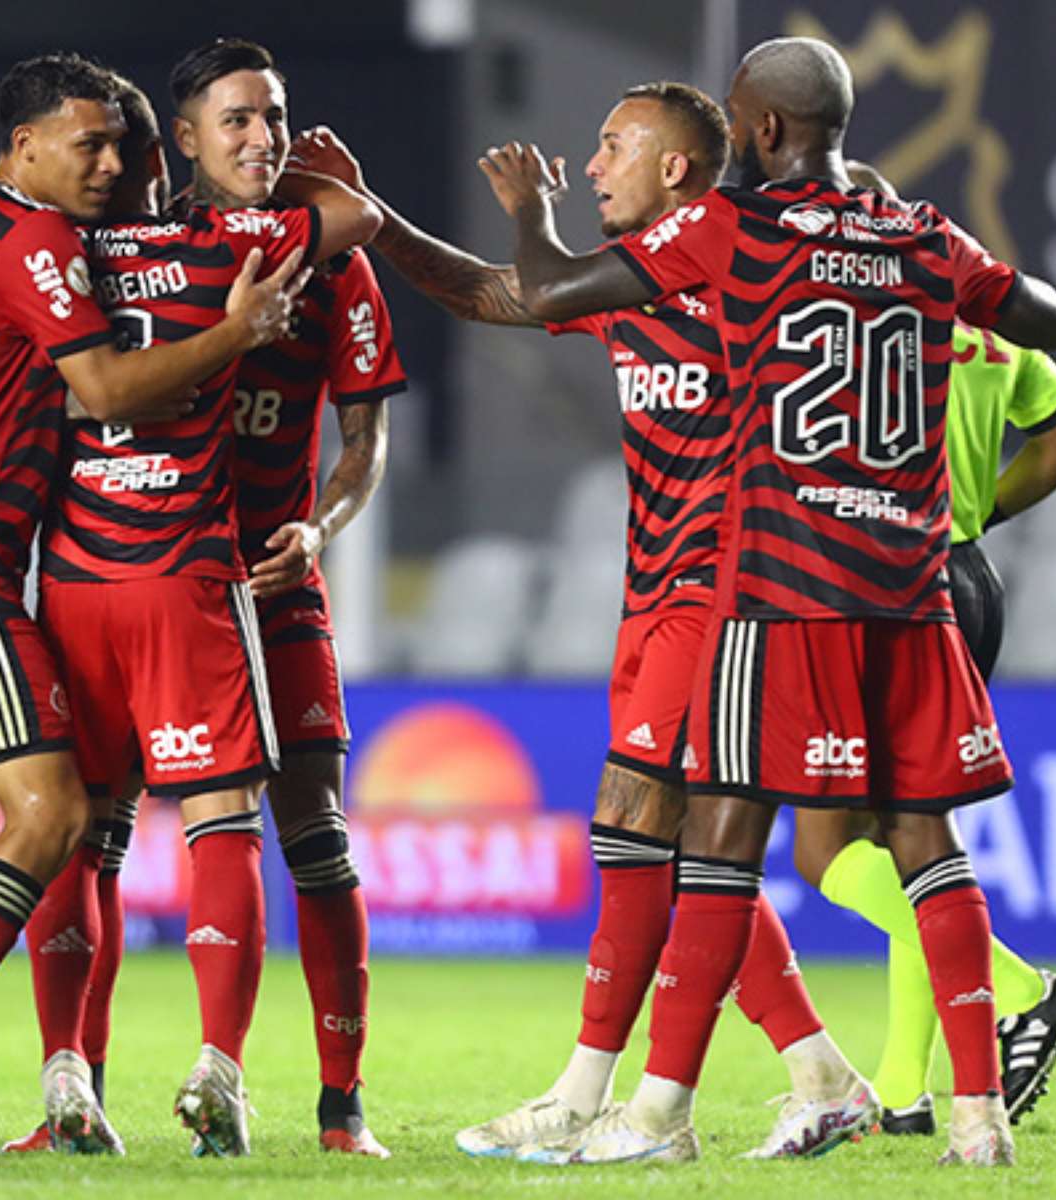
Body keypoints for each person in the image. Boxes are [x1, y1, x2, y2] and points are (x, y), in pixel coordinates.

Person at [480, 36, 1056, 1167]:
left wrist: (522, 210)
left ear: (757, 132)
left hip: (781, 588)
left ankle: (657, 1117)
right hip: (910, 591)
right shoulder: (926, 237)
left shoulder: (734, 230)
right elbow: (1039, 310)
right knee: (926, 846)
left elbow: (549, 289)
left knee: (721, 841)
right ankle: (979, 1123)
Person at [291, 86, 876, 1162]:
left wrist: (525, 211)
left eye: (614, 147)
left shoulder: (737, 270)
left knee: (634, 836)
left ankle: (593, 1093)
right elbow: (488, 292)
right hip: (653, 593)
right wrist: (375, 216)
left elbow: (538, 276)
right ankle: (819, 1073)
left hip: (725, 592)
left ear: (677, 171)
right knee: (696, 855)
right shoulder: (635, 279)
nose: (591, 162)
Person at [0, 52, 299, 1157]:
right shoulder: (36, 238)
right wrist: (236, 333)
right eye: (87, 144)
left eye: (120, 146)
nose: (108, 166)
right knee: (53, 813)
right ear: (22, 148)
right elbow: (101, 386)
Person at [4, 38, 404, 1159]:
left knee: (315, 834)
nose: (261, 140)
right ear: (182, 140)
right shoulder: (128, 245)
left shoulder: (327, 269)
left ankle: (342, 1108)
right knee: (95, 837)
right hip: (155, 575)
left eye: (274, 118)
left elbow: (366, 437)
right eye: (235, 121)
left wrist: (317, 528)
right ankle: (79, 1093)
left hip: (266, 585)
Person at [790, 161, 1056, 1136]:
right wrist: (983, 503)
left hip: (886, 583)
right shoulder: (990, 325)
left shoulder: (873, 322)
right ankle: (905, 1094)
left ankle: (1022, 985)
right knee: (918, 842)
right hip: (969, 573)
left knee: (826, 847)